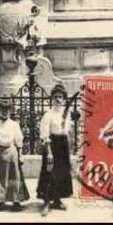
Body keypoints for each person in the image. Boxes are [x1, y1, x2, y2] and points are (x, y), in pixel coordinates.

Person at [37, 84, 73, 215]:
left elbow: (67, 132)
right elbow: (44, 136)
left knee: (61, 173)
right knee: (49, 174)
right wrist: (49, 153)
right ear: (51, 99)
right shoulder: (48, 115)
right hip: (52, 146)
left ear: (64, 100)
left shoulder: (66, 114)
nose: (58, 100)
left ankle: (57, 200)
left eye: (61, 97)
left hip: (63, 146)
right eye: (55, 97)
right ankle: (46, 202)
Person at [0, 101, 30, 211]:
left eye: (7, 110)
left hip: (12, 152)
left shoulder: (14, 125)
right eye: (2, 109)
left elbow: (18, 141)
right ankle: (1, 200)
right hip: (0, 154)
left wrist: (20, 155)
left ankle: (16, 200)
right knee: (1, 177)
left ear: (10, 111)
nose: (5, 112)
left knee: (15, 177)